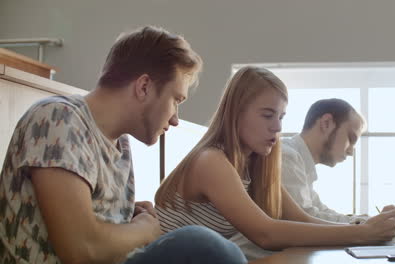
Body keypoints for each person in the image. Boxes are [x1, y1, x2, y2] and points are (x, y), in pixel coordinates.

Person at [0, 26, 246, 264]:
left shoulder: (121, 143)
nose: (175, 119)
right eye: (175, 99)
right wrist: (144, 230)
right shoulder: (59, 118)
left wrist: (126, 216)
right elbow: (81, 249)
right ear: (144, 87)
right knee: (204, 245)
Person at [155, 66, 395, 253]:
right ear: (236, 113)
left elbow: (302, 220)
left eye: (281, 117)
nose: (277, 127)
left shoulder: (255, 165)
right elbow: (266, 233)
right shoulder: (211, 160)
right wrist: (362, 234)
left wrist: (365, 229)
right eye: (267, 115)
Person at [282, 98, 384, 224]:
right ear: (326, 123)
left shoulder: (302, 163)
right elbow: (307, 220)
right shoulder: (287, 156)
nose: (351, 152)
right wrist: (366, 224)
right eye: (351, 139)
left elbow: (320, 212)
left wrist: (367, 220)